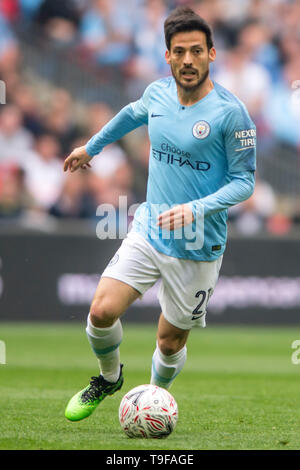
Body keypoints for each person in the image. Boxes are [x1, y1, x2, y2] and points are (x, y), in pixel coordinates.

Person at [63, 6, 256, 422]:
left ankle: (154, 400)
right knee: (100, 312)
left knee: (169, 343)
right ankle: (109, 377)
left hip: (199, 246)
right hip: (150, 230)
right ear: (167, 55)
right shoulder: (157, 94)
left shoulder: (231, 113)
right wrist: (90, 147)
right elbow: (131, 115)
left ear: (212, 54)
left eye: (197, 51)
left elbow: (245, 182)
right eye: (179, 51)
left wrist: (195, 209)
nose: (188, 60)